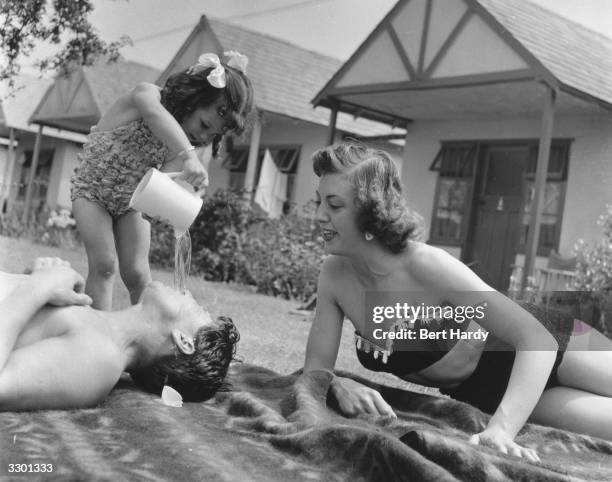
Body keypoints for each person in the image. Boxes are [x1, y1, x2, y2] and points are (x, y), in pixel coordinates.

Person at [302, 141, 612, 462]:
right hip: (496, 393)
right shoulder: (334, 276)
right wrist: (338, 384)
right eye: (318, 202)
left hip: (559, 344)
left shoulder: (427, 265)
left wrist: (502, 430)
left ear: (371, 212)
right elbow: (316, 370)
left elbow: (537, 339)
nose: (319, 215)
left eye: (335, 205)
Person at [71, 51, 254, 309]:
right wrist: (190, 156)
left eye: (210, 135)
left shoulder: (179, 147)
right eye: (204, 125)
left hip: (130, 204)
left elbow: (161, 183)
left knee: (137, 273)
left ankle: (148, 334)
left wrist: (181, 193)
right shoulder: (145, 96)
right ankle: (97, 335)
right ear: (193, 98)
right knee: (104, 265)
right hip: (91, 193)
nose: (201, 137)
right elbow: (156, 115)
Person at [0, 257, 239, 411]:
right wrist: (32, 279)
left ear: (184, 341)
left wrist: (37, 287)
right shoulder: (97, 327)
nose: (186, 291)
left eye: (196, 308)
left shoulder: (101, 359)